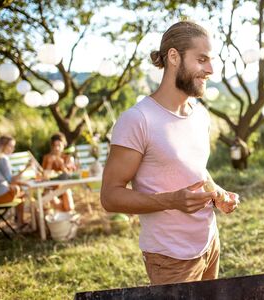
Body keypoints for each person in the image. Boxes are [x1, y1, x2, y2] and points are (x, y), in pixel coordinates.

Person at [101, 20, 240, 285]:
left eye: (211, 60)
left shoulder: (200, 114)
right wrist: (170, 201)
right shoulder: (137, 119)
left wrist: (217, 193)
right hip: (171, 258)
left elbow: (195, 169)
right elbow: (109, 196)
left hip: (210, 243)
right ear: (174, 56)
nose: (210, 70)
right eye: (202, 59)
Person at [0, 135, 31, 227]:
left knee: (19, 190)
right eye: (11, 146)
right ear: (3, 146)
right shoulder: (3, 159)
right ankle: (20, 221)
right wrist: (26, 168)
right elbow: (11, 180)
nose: (13, 149)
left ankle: (18, 220)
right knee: (22, 193)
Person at [42, 132, 76, 212]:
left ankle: (63, 219)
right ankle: (64, 220)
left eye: (59, 145)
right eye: (54, 146)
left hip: (64, 188)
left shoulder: (67, 157)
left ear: (64, 145)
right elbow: (44, 177)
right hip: (50, 188)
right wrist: (50, 164)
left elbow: (70, 176)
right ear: (52, 146)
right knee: (54, 200)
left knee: (69, 207)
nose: (57, 148)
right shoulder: (47, 158)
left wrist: (62, 165)